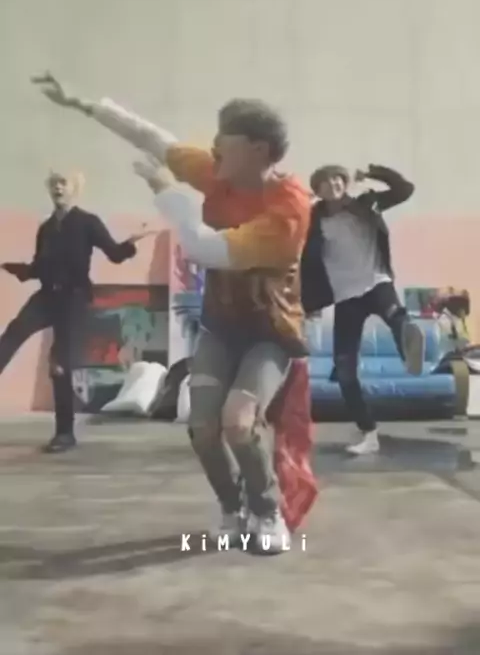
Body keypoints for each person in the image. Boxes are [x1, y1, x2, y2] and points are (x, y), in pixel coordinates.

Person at [36, 72, 312, 553]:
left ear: (258, 150)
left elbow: (207, 250)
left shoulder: (288, 209)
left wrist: (165, 191)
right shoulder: (221, 172)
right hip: (221, 325)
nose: (213, 146)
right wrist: (84, 103)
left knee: (239, 422)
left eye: (224, 139)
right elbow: (153, 138)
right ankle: (232, 508)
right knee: (202, 428)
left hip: (270, 330)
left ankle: (267, 511)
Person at [0, 169, 150, 453]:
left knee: (59, 364)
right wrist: (18, 269)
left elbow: (115, 254)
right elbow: (38, 266)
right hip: (47, 295)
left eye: (63, 183)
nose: (58, 188)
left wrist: (131, 243)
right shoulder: (46, 228)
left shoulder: (87, 222)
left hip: (74, 298)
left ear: (74, 189)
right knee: (11, 335)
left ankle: (65, 433)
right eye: (53, 183)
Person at [301, 163, 425, 456]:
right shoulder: (312, 218)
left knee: (396, 316)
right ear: (318, 190)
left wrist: (373, 172)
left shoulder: (367, 203)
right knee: (345, 370)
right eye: (326, 182)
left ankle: (410, 351)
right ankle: (369, 433)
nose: (334, 185)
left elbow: (404, 190)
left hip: (376, 282)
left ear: (345, 183)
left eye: (338, 179)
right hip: (345, 296)